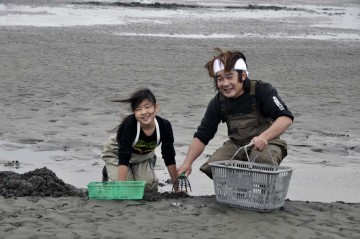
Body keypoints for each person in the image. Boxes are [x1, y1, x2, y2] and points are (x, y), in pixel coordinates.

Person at [177, 48, 294, 179]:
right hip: (237, 145)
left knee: (261, 162)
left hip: (269, 143)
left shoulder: (262, 90)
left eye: (229, 76)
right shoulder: (218, 101)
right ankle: (239, 191)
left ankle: (261, 190)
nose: (225, 84)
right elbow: (202, 135)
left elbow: (285, 118)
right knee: (213, 167)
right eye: (220, 79)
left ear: (243, 75)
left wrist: (264, 137)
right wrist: (187, 163)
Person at [101, 88, 178, 192]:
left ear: (156, 107)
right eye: (138, 109)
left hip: (141, 156)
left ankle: (147, 164)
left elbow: (169, 156)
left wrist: (177, 188)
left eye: (147, 107)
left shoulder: (165, 126)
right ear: (134, 112)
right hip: (117, 154)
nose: (144, 112)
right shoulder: (129, 126)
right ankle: (107, 171)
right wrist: (120, 188)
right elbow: (123, 157)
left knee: (149, 188)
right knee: (125, 189)